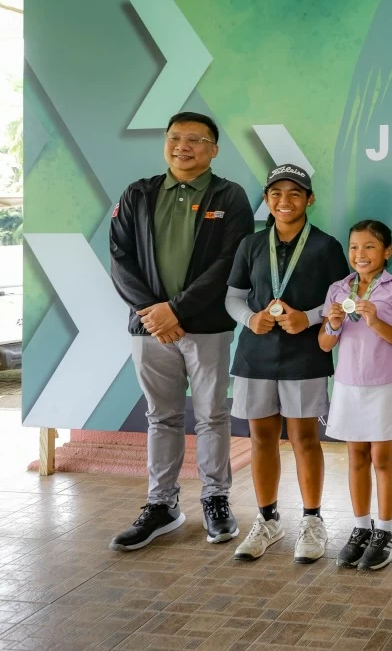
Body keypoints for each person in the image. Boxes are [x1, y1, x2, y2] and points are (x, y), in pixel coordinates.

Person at [108, 111, 254, 551]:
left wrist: (177, 310)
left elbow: (229, 262)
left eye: (195, 139)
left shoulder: (230, 196)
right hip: (149, 328)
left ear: (213, 149)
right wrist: (154, 313)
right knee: (162, 417)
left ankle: (216, 499)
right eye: (175, 138)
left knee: (211, 415)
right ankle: (162, 506)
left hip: (205, 327)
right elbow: (120, 257)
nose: (183, 146)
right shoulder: (139, 193)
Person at [224, 165, 348, 563]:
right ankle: (268, 519)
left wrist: (308, 318)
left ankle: (312, 521)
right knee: (260, 439)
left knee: (304, 439)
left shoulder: (326, 246)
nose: (285, 201)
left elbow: (342, 301)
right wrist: (250, 318)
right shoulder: (250, 245)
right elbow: (233, 297)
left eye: (295, 194)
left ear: (310, 199)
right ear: (267, 199)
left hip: (304, 355)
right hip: (254, 355)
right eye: (276, 193)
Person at [320, 220, 392, 571]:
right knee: (356, 457)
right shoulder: (338, 289)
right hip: (348, 385)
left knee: (381, 458)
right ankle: (361, 527)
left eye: (369, 247)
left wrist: (377, 321)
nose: (360, 254)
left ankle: (386, 531)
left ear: (387, 252)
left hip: (385, 386)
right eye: (354, 247)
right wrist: (332, 323)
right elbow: (324, 342)